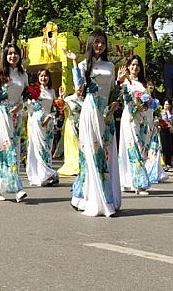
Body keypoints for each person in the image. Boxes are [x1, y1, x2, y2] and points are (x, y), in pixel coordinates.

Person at [64, 30, 122, 217]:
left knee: (107, 155)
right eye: (96, 42)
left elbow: (113, 89)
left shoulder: (110, 65)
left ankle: (83, 197)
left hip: (107, 113)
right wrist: (74, 62)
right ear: (90, 44)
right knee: (93, 154)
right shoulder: (83, 65)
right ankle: (102, 201)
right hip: (91, 111)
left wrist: (116, 99)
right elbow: (79, 89)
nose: (99, 46)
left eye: (102, 43)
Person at [0, 44, 28, 202]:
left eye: (15, 54)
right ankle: (17, 188)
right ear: (5, 57)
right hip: (2, 114)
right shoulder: (1, 74)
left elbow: (24, 95)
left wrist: (20, 105)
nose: (13, 56)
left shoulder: (22, 75)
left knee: (14, 151)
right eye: (10, 54)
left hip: (16, 116)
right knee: (5, 148)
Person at [116, 54, 151, 195]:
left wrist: (146, 105)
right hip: (129, 118)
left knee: (141, 148)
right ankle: (139, 183)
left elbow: (148, 103)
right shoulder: (124, 82)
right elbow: (116, 95)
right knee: (133, 147)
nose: (135, 67)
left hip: (141, 119)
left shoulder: (143, 84)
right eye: (133, 65)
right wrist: (119, 80)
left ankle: (129, 181)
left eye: (138, 65)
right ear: (128, 66)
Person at [25, 68, 60, 187]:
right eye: (41, 76)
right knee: (40, 147)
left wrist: (50, 117)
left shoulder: (51, 91)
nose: (43, 78)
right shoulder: (34, 90)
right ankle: (45, 175)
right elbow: (29, 106)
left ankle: (45, 173)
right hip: (37, 121)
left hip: (48, 122)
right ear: (38, 78)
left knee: (48, 148)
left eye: (46, 76)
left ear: (49, 78)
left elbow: (55, 107)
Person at [143, 80, 168, 184]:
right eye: (148, 85)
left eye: (152, 84)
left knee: (155, 149)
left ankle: (154, 172)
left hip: (153, 126)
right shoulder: (143, 98)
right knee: (144, 149)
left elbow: (156, 113)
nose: (150, 86)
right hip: (144, 125)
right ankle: (146, 171)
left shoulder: (156, 101)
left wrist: (157, 120)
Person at [159, 99, 173, 169]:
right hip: (163, 129)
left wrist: (168, 112)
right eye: (165, 104)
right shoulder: (161, 112)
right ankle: (164, 161)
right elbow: (163, 120)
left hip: (170, 130)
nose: (167, 106)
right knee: (164, 146)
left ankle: (168, 162)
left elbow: (171, 119)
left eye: (168, 104)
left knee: (170, 146)